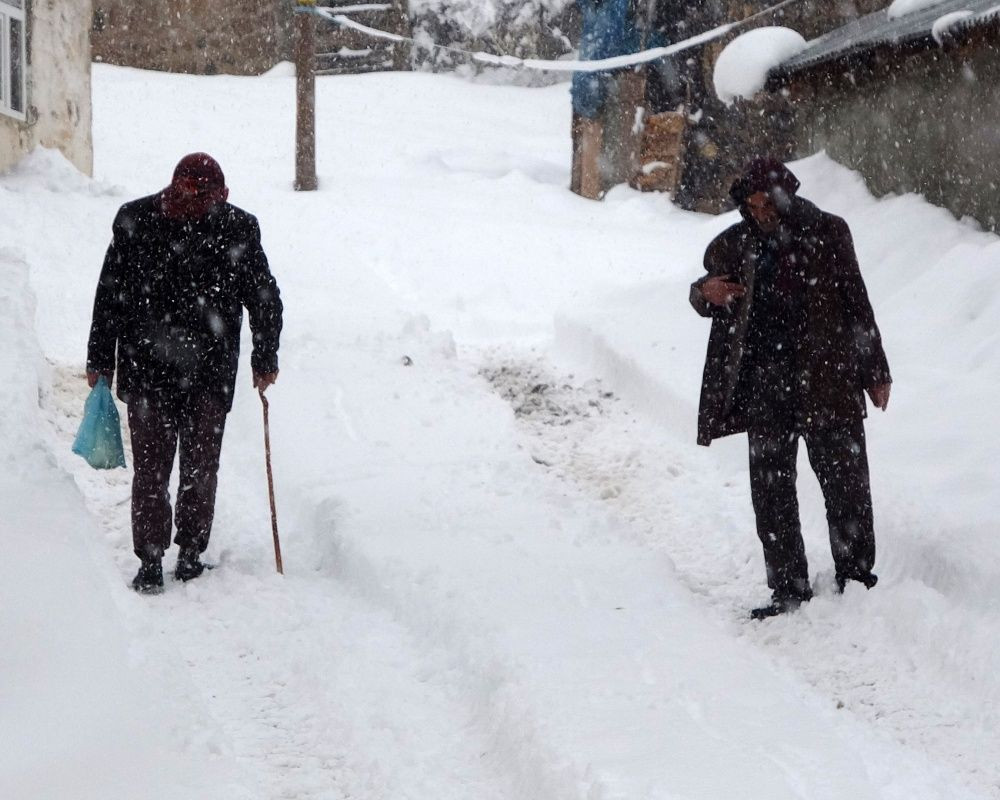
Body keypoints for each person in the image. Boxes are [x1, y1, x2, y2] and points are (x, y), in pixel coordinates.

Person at [690, 157, 891, 620]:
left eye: (766, 203)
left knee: (846, 486)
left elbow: (857, 304)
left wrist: (875, 370)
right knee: (772, 492)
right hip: (767, 385)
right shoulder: (736, 244)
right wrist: (706, 293)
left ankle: (857, 579)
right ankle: (788, 588)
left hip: (829, 380)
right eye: (752, 204)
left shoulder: (829, 233)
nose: (759, 211)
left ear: (785, 196)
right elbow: (703, 290)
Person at [86, 153, 283, 594]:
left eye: (207, 196)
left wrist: (265, 357)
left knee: (199, 466)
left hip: (207, 372)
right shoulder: (134, 220)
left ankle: (190, 554)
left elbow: (264, 296)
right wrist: (100, 359)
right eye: (190, 194)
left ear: (221, 195)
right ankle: (152, 561)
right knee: (154, 469)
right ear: (175, 186)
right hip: (148, 369)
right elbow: (110, 293)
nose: (197, 205)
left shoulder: (238, 227)